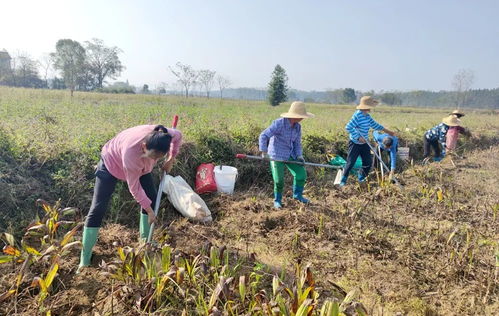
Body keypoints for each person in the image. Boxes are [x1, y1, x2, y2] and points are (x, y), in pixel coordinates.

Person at [78, 124, 182, 272]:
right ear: (144, 146)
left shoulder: (164, 135)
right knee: (98, 208)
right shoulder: (131, 154)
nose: (155, 160)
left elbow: (178, 136)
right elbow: (135, 189)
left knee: (151, 197)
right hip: (111, 163)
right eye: (153, 156)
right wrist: (150, 212)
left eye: (158, 157)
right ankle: (84, 260)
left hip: (142, 164)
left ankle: (145, 243)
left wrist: (171, 159)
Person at [259, 101, 314, 208]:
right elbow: (264, 135)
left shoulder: (297, 127)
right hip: (276, 154)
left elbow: (297, 143)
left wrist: (299, 155)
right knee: (279, 180)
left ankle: (297, 195)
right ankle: (277, 200)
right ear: (295, 116)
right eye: (301, 116)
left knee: (301, 174)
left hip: (290, 154)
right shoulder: (279, 124)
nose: (302, 118)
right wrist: (264, 152)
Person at [339, 96, 395, 187]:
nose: (370, 109)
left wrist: (387, 131)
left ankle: (361, 177)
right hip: (355, 143)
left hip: (364, 143)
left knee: (368, 162)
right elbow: (348, 127)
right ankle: (343, 179)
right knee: (351, 162)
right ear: (365, 106)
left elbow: (375, 125)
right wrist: (358, 137)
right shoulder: (357, 115)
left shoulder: (367, 117)